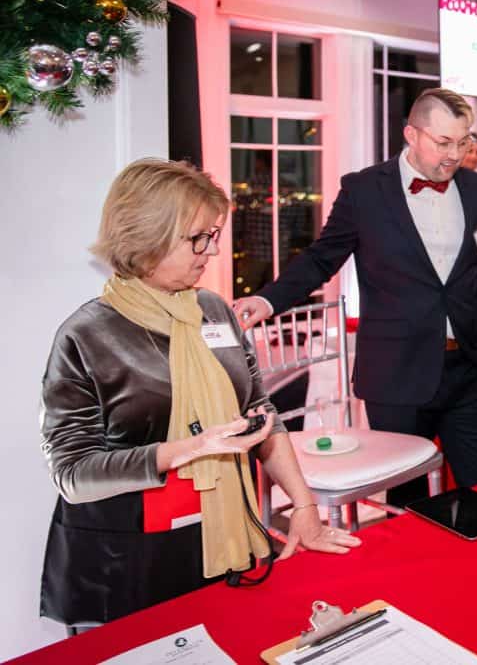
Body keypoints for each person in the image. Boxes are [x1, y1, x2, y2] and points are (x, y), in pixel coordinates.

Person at [39, 159, 359, 629]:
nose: (211, 250)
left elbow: (261, 414)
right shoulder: (87, 336)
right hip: (127, 559)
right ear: (148, 235)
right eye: (198, 238)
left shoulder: (213, 311)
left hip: (220, 543)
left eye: (214, 234)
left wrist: (304, 508)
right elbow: (72, 473)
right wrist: (190, 449)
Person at [233, 88, 477, 505]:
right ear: (411, 135)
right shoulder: (364, 191)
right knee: (410, 505)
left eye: (463, 141)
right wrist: (269, 300)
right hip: (397, 376)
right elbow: (322, 258)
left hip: (469, 369)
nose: (455, 154)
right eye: (443, 142)